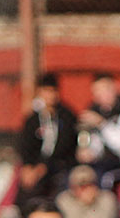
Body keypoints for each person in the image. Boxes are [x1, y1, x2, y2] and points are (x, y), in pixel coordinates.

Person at [16, 72, 78, 205]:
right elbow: (26, 145)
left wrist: (42, 167)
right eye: (46, 91)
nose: (50, 95)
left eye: (53, 91)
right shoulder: (33, 120)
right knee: (23, 187)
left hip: (58, 166)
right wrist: (28, 166)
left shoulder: (67, 117)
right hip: (36, 167)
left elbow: (64, 146)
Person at [77, 73, 120, 191]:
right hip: (100, 160)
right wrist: (88, 151)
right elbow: (92, 139)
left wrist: (101, 124)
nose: (101, 96)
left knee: (102, 180)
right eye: (96, 92)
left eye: (105, 90)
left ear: (116, 88)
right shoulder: (94, 109)